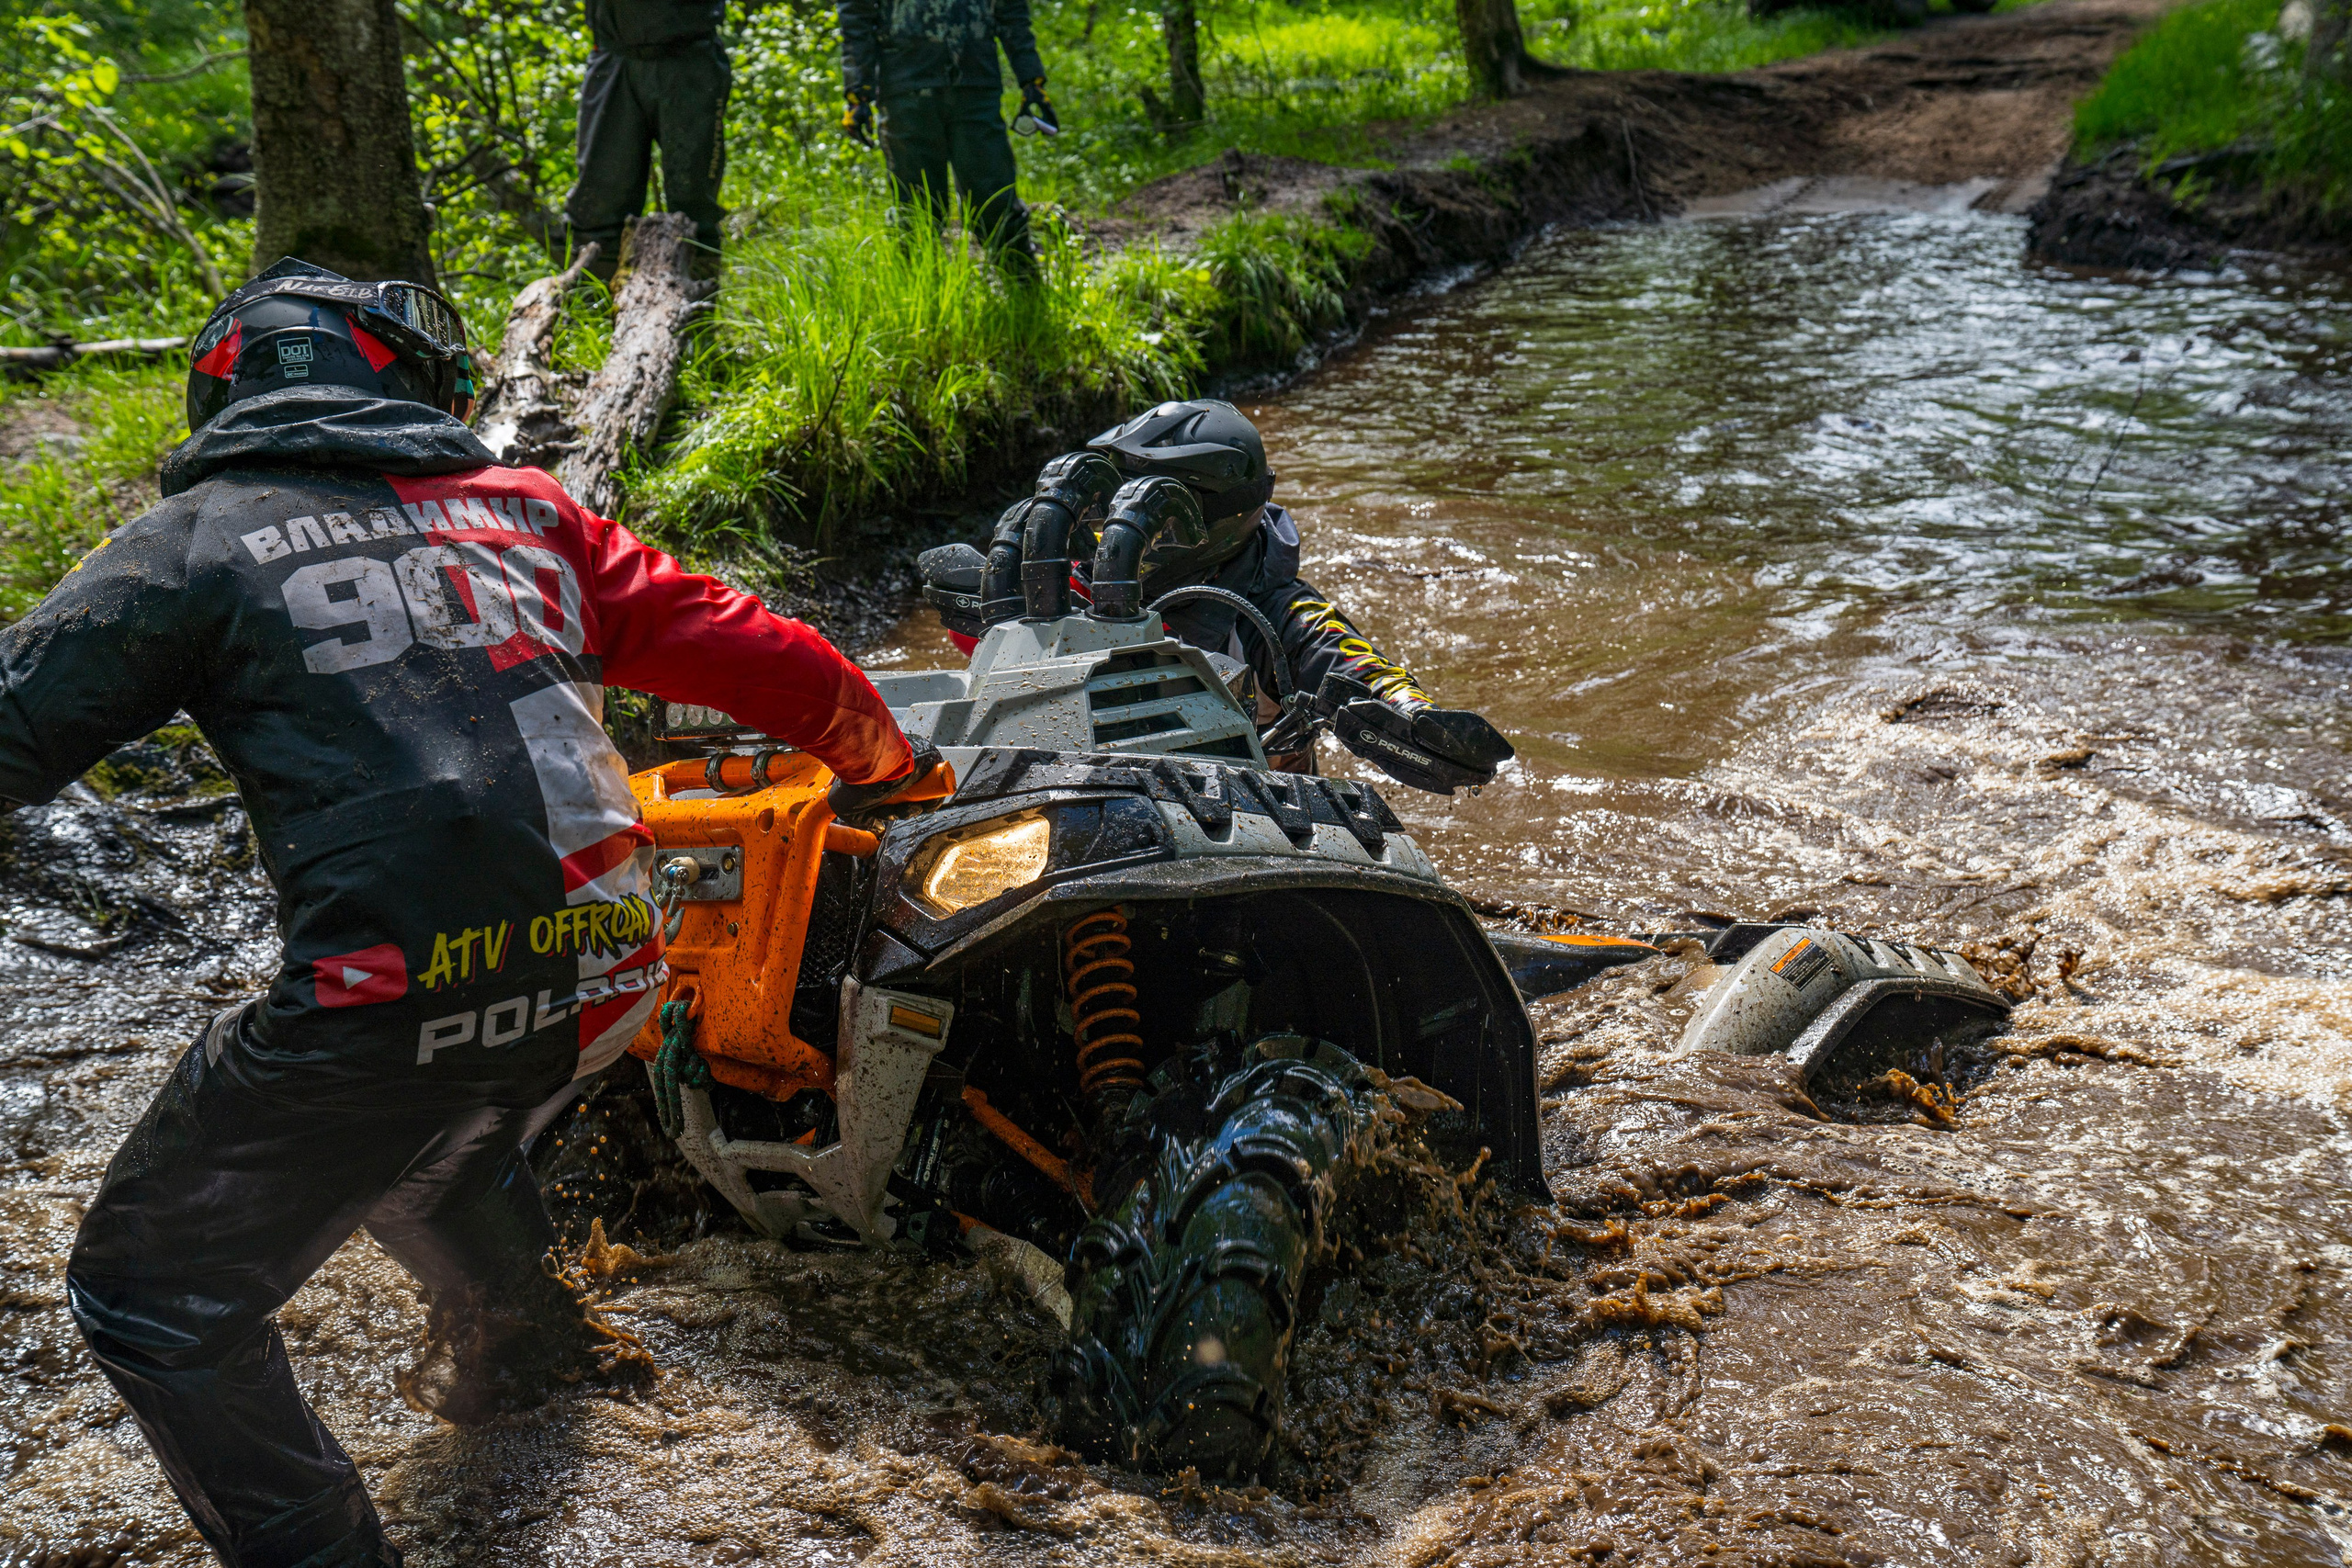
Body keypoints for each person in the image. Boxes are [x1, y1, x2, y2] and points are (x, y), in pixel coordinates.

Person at [5, 259, 927, 1567]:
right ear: (403, 374)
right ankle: (538, 1351)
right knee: (436, 1134)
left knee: (153, 1293)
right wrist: (888, 763)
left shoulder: (196, 539)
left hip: (397, 1013)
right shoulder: (532, 511)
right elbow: (761, 648)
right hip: (611, 984)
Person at [924, 399, 1516, 794]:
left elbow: (1358, 666)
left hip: (1243, 816)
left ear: (1214, 515)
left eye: (1154, 501)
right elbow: (992, 657)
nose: (1124, 519)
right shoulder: (1086, 566)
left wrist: (1417, 719)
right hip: (1082, 791)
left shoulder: (1278, 613)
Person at [837, 0, 1055, 272]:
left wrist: (1031, 79)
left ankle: (1025, 293)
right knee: (916, 208)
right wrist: (858, 92)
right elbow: (856, 18)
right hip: (905, 91)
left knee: (994, 200)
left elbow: (1011, 12)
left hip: (976, 85)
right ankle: (917, 302)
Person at [560, 0, 732, 276]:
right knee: (597, 207)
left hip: (690, 58)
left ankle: (695, 312)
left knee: (694, 209)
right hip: (614, 55)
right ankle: (591, 310)